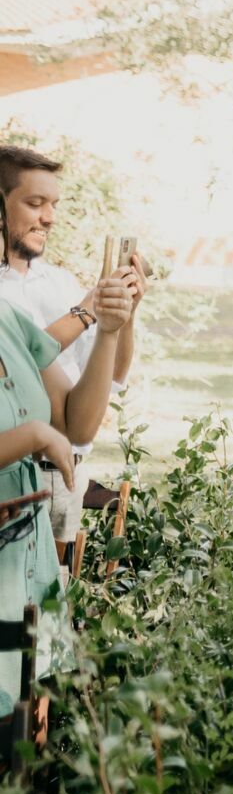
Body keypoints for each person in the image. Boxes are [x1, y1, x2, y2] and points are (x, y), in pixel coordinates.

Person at [0, 229, 132, 720]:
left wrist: (109, 319)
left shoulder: (8, 317)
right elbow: (48, 428)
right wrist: (35, 435)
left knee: (34, 718)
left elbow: (76, 418)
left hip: (28, 558)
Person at [0, 146, 147, 552]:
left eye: (53, 204)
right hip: (12, 476)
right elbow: (25, 356)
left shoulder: (59, 282)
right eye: (34, 203)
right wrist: (88, 310)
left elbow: (107, 378)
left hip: (66, 474)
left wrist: (122, 315)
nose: (49, 217)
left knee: (50, 605)